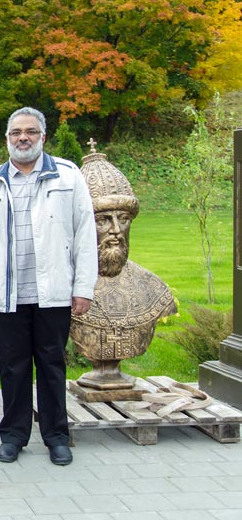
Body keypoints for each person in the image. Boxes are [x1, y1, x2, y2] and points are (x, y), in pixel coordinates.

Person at [0, 107, 97, 466]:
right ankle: (13, 435)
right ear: (7, 139)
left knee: (52, 365)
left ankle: (56, 436)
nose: (23, 138)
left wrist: (83, 286)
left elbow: (86, 235)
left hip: (52, 291)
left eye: (30, 132)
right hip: (7, 294)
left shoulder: (68, 176)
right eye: (16, 133)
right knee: (12, 367)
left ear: (43, 137)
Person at [70, 144, 176, 389]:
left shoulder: (153, 290)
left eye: (124, 219)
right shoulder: (65, 287)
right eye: (103, 220)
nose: (116, 230)